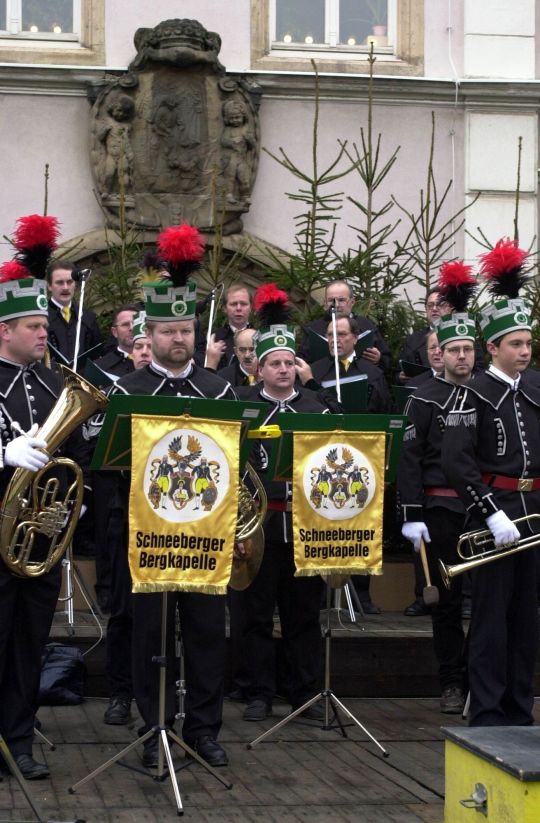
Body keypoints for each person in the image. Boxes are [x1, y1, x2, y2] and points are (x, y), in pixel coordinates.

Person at [107, 224, 235, 767]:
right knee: (148, 633)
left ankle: (204, 728)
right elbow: (108, 463)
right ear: (149, 335)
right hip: (147, 534)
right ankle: (154, 725)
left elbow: (240, 459)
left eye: (185, 330)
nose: (178, 339)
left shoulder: (219, 388)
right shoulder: (126, 391)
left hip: (206, 535)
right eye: (167, 331)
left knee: (207, 633)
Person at [0, 215, 91, 780]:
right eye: (33, 326)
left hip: (40, 538)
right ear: (4, 330)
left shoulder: (56, 384)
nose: (44, 334)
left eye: (44, 326)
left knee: (31, 639)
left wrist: (74, 495)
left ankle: (18, 738)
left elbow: (76, 448)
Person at [442, 239, 540, 727]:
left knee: (527, 621)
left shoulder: (538, 387)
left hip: (534, 507)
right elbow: (456, 462)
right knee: (490, 621)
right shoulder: (472, 392)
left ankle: (520, 709)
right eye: (516, 344)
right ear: (493, 348)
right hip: (495, 510)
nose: (525, 351)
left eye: (528, 343)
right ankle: (485, 712)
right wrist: (489, 511)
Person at [239, 284, 332, 723]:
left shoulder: (316, 408)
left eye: (289, 362)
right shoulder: (240, 407)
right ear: (258, 369)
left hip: (303, 526)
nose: (283, 370)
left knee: (302, 614)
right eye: (274, 363)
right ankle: (258, 692)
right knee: (254, 614)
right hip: (257, 526)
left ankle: (303, 693)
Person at [398, 261, 477, 713]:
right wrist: (412, 516)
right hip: (440, 512)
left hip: (485, 515)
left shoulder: (489, 394)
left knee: (486, 603)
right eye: (454, 351)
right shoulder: (424, 398)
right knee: (444, 604)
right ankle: (451, 682)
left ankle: (479, 676)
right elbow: (409, 460)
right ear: (440, 354)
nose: (461, 358)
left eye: (468, 350)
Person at [102, 311, 150, 726]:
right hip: (124, 513)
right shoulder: (119, 392)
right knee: (123, 611)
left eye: (149, 345)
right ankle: (120, 693)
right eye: (138, 346)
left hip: (168, 522)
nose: (145, 353)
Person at [297, 280, 391, 373]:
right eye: (331, 301)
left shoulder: (366, 325)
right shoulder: (313, 329)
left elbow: (387, 360)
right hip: (324, 381)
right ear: (325, 303)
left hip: (363, 379)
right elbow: (301, 362)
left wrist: (379, 359)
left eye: (341, 300)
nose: (336, 305)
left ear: (352, 302)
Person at [46, 260, 102, 363]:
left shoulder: (88, 318)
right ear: (49, 286)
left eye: (69, 282)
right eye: (59, 282)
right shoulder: (41, 318)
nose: (65, 287)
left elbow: (98, 355)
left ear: (75, 284)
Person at [197, 284, 253, 371]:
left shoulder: (260, 337)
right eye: (233, 304)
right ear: (225, 308)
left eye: (243, 304)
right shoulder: (213, 338)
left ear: (251, 307)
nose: (238, 308)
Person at [93, 304, 138, 378]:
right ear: (115, 332)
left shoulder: (158, 358)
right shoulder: (100, 368)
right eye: (125, 324)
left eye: (136, 323)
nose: (132, 328)